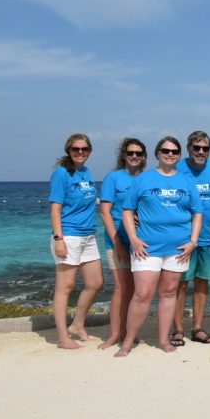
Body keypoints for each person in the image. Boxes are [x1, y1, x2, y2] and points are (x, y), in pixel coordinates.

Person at [117, 137, 202, 357]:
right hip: (147, 246)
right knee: (143, 294)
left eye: (174, 151)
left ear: (179, 155)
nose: (170, 154)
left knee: (168, 293)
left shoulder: (186, 181)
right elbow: (127, 210)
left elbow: (197, 213)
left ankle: (163, 340)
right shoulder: (143, 179)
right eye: (165, 150)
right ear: (157, 153)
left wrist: (193, 241)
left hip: (178, 248)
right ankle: (127, 341)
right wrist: (133, 238)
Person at [174, 131, 210, 346]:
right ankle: (178, 329)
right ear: (188, 148)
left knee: (202, 282)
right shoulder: (177, 168)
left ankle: (197, 328)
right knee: (180, 283)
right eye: (196, 147)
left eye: (204, 148)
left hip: (209, 236)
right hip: (182, 237)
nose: (200, 151)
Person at [49, 133, 103, 350]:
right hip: (69, 235)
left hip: (89, 234)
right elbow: (55, 207)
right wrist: (58, 239)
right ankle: (63, 337)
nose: (80, 152)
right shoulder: (62, 174)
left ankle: (77, 324)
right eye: (75, 149)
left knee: (95, 283)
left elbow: (91, 201)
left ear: (89, 151)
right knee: (65, 287)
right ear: (68, 151)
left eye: (84, 149)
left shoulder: (86, 172)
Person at [98, 137, 146, 349]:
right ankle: (114, 334)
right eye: (130, 153)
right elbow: (105, 212)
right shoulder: (113, 178)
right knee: (121, 288)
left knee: (136, 290)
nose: (134, 156)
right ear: (124, 156)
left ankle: (130, 332)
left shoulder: (146, 179)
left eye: (138, 153)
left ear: (144, 157)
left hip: (141, 242)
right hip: (117, 240)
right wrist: (116, 242)